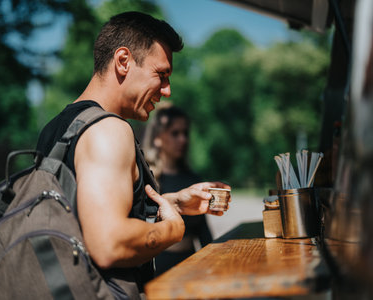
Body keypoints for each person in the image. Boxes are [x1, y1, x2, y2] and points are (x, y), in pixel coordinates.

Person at [36, 11, 230, 298]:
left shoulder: (56, 129)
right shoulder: (109, 130)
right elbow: (108, 244)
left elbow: (83, 211)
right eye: (161, 75)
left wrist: (174, 202)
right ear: (123, 61)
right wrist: (173, 231)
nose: (166, 90)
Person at [142, 104, 213, 275]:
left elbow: (204, 232)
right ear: (158, 137)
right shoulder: (147, 180)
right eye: (175, 133)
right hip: (158, 266)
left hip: (191, 263)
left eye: (185, 133)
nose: (183, 139)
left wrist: (213, 264)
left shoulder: (193, 180)